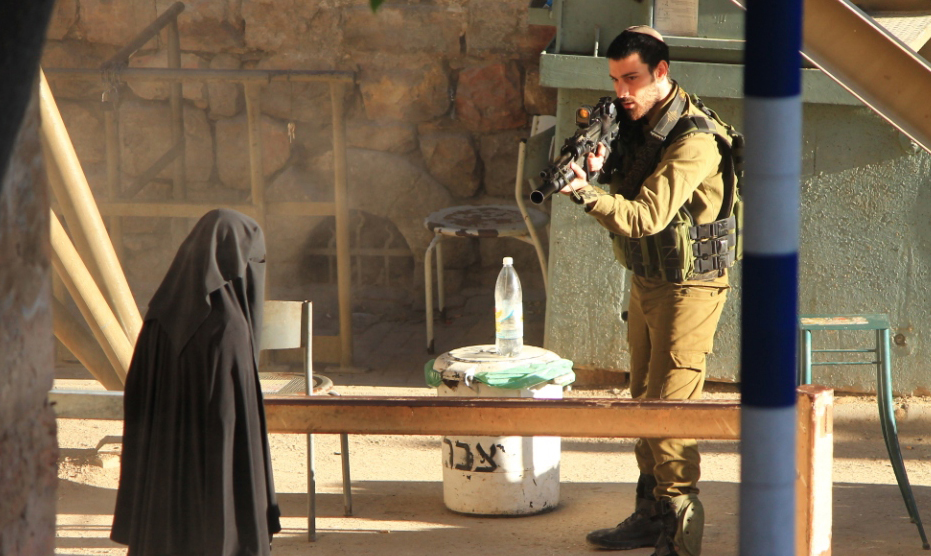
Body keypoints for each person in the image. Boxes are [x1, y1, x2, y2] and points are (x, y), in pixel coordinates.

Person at [559, 26, 739, 556]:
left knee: (670, 412)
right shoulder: (637, 122)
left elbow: (646, 216)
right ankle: (649, 513)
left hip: (691, 287)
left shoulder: (694, 140)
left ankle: (682, 534)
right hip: (648, 280)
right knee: (642, 402)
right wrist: (600, 165)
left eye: (632, 78)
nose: (622, 91)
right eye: (615, 79)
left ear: (662, 72)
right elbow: (630, 181)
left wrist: (587, 193)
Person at [111, 209, 282, 556]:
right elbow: (231, 425)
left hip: (163, 481)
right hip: (212, 488)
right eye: (254, 262)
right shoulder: (230, 331)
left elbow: (137, 396)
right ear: (236, 264)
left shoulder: (158, 315)